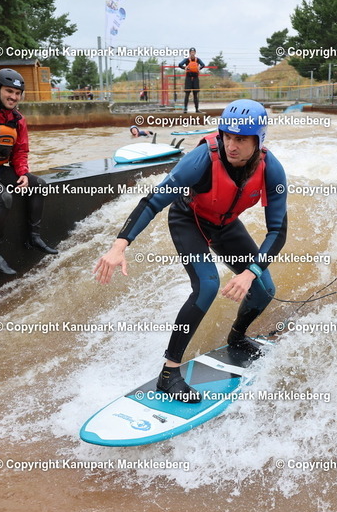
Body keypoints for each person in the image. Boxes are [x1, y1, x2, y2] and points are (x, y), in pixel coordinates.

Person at [94, 99, 287, 403]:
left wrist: (251, 272)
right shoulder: (202, 159)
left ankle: (237, 337)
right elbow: (153, 201)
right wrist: (120, 245)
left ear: (258, 140)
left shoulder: (271, 169)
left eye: (240, 139)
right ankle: (169, 373)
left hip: (225, 226)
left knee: (264, 288)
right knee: (207, 285)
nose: (231, 145)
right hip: (189, 221)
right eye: (227, 136)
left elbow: (277, 231)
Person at [0, 68, 58, 275]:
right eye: (9, 91)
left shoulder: (18, 119)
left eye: (17, 93)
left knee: (39, 185)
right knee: (3, 197)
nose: (13, 97)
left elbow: (20, 151)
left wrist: (22, 173)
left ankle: (33, 238)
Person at [178, 47, 205, 113]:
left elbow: (203, 65)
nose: (192, 53)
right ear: (190, 53)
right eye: (191, 52)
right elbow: (180, 64)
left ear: (195, 53)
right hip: (188, 78)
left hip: (195, 78)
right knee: (187, 94)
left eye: (193, 52)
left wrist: (199, 68)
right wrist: (185, 68)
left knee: (195, 94)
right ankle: (185, 109)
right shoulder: (187, 60)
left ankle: (196, 109)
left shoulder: (198, 60)